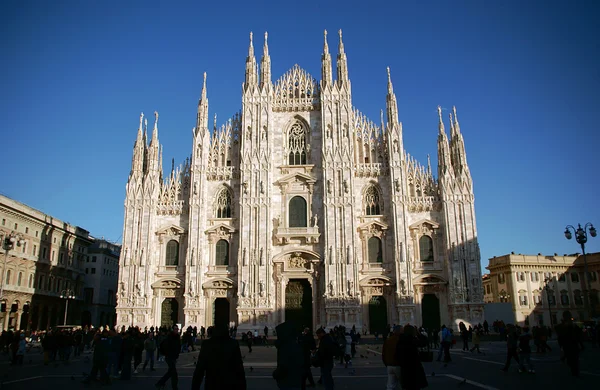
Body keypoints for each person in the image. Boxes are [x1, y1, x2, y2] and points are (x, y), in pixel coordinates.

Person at [191, 324, 246, 390]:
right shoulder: (233, 344)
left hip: (212, 384)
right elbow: (239, 370)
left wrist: (195, 387)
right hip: (229, 384)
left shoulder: (207, 344)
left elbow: (199, 370)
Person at [273, 321, 304, 390]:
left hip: (287, 381)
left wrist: (275, 374)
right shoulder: (295, 345)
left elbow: (284, 365)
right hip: (295, 380)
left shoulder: (286, 347)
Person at [397, 325, 428, 390]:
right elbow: (424, 342)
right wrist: (418, 333)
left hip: (405, 367)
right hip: (414, 367)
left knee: (407, 386)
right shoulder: (413, 340)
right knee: (415, 387)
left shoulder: (400, 340)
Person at [556, 310, 583, 377]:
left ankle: (575, 371)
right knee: (570, 359)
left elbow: (578, 333)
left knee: (574, 358)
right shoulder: (562, 325)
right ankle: (573, 368)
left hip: (573, 343)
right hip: (567, 344)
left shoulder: (573, 324)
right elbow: (560, 334)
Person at [156, 325, 181, 390]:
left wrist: (177, 354)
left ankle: (160, 383)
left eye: (177, 329)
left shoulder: (177, 337)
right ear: (172, 329)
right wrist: (168, 354)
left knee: (170, 372)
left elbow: (178, 346)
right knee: (174, 373)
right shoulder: (169, 337)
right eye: (175, 329)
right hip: (169, 357)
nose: (176, 330)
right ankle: (174, 387)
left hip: (174, 357)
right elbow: (166, 346)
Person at [382, 325, 403, 390]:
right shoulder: (400, 340)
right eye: (402, 330)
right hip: (398, 365)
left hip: (389, 365)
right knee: (404, 384)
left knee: (390, 386)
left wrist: (387, 364)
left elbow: (383, 354)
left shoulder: (388, 340)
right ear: (400, 331)